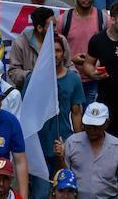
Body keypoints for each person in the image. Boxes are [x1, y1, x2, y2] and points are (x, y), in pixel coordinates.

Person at [26, 33, 84, 199]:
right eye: (52, 51)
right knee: (41, 193)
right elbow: (27, 112)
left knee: (65, 193)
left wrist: (77, 142)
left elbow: (76, 112)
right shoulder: (33, 79)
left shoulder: (73, 79)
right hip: (39, 147)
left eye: (58, 50)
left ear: (64, 53)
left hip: (63, 143)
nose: (55, 54)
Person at [83, 2, 118, 160]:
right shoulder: (98, 40)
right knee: (104, 150)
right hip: (105, 105)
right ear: (113, 20)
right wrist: (93, 74)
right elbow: (88, 64)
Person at [54, 101, 118, 199]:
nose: (92, 130)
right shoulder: (72, 142)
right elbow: (63, 177)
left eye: (96, 127)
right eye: (88, 126)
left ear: (107, 123)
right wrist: (60, 158)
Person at [57, 0, 104, 105]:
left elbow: (110, 46)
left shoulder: (104, 19)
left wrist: (101, 61)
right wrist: (72, 59)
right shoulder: (64, 20)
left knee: (91, 121)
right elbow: (54, 50)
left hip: (94, 80)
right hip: (70, 78)